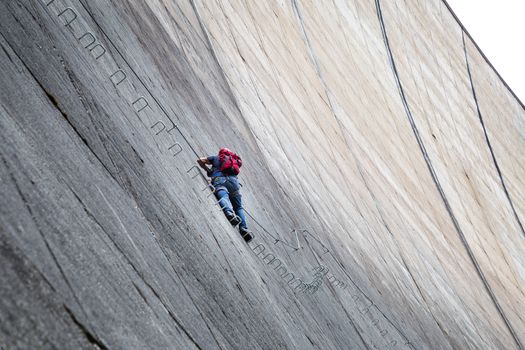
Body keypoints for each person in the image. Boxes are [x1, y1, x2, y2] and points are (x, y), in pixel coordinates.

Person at [197, 148, 253, 242]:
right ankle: (244, 228)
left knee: (224, 196)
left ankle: (229, 213)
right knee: (239, 207)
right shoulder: (234, 162)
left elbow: (200, 160)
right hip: (234, 183)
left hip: (220, 180)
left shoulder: (216, 158)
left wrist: (208, 170)